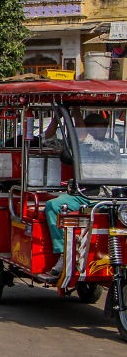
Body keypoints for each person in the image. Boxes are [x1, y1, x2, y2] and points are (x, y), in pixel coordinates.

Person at [44, 112, 118, 275]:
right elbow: (48, 139)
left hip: (107, 196)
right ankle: (63, 252)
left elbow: (85, 139)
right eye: (97, 129)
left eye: (104, 128)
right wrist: (57, 117)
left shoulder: (111, 144)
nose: (103, 132)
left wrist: (75, 113)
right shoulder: (77, 143)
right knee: (53, 206)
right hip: (83, 194)